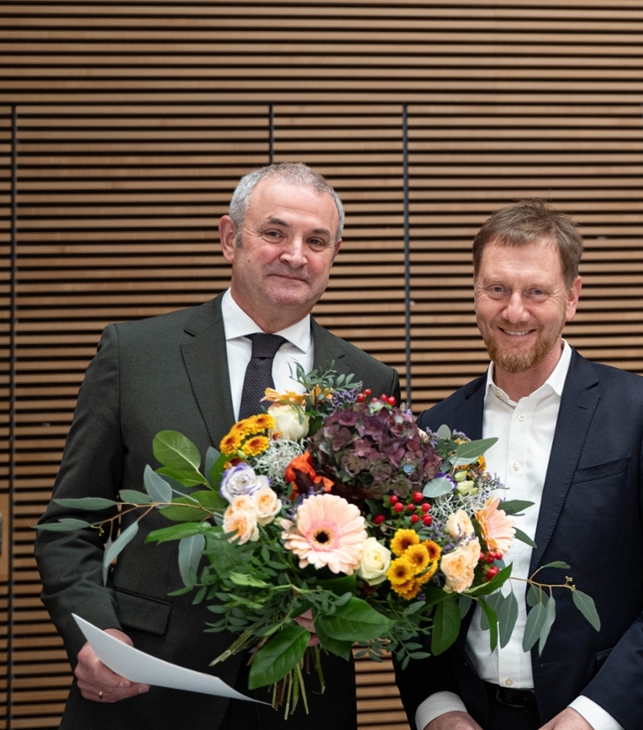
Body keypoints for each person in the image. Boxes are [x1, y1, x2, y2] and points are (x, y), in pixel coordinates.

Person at [35, 162, 401, 730]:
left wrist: (340, 601)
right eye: (275, 233)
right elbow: (67, 525)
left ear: (334, 255)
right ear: (230, 237)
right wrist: (97, 634)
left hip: (297, 698)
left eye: (317, 241)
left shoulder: (371, 382)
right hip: (145, 688)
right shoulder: (135, 355)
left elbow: (384, 542)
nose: (296, 255)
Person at [394, 200, 643, 730]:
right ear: (476, 293)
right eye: (497, 290)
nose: (515, 311)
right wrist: (437, 709)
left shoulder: (641, 413)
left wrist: (593, 716)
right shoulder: (435, 429)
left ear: (572, 297)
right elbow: (412, 597)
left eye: (536, 291)